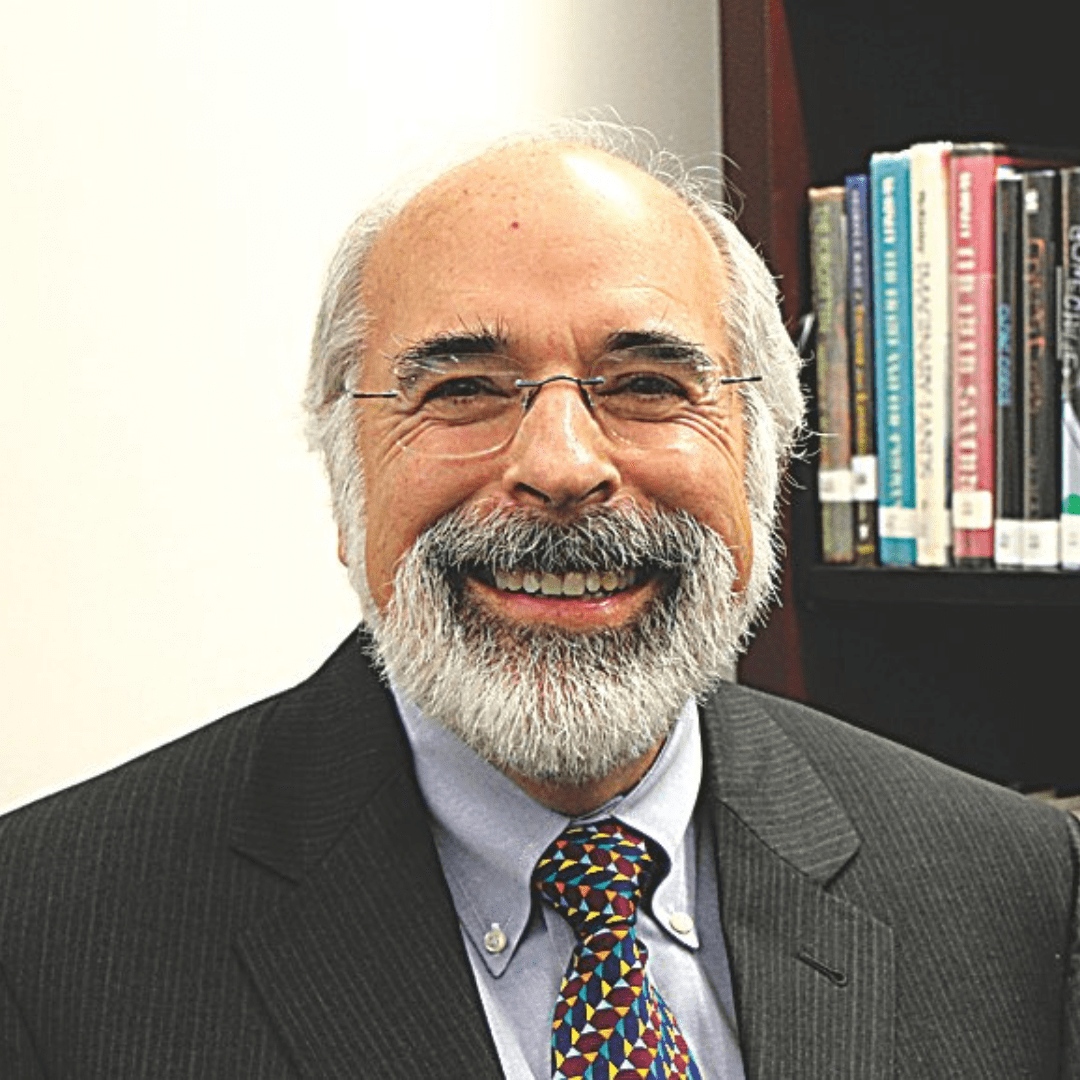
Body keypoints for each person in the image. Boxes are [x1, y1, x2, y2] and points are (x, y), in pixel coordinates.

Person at [0, 119, 1077, 1079]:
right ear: (345, 472)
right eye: (464, 389)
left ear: (763, 455)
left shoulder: (1011, 890)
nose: (563, 465)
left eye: (647, 386)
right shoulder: (47, 935)